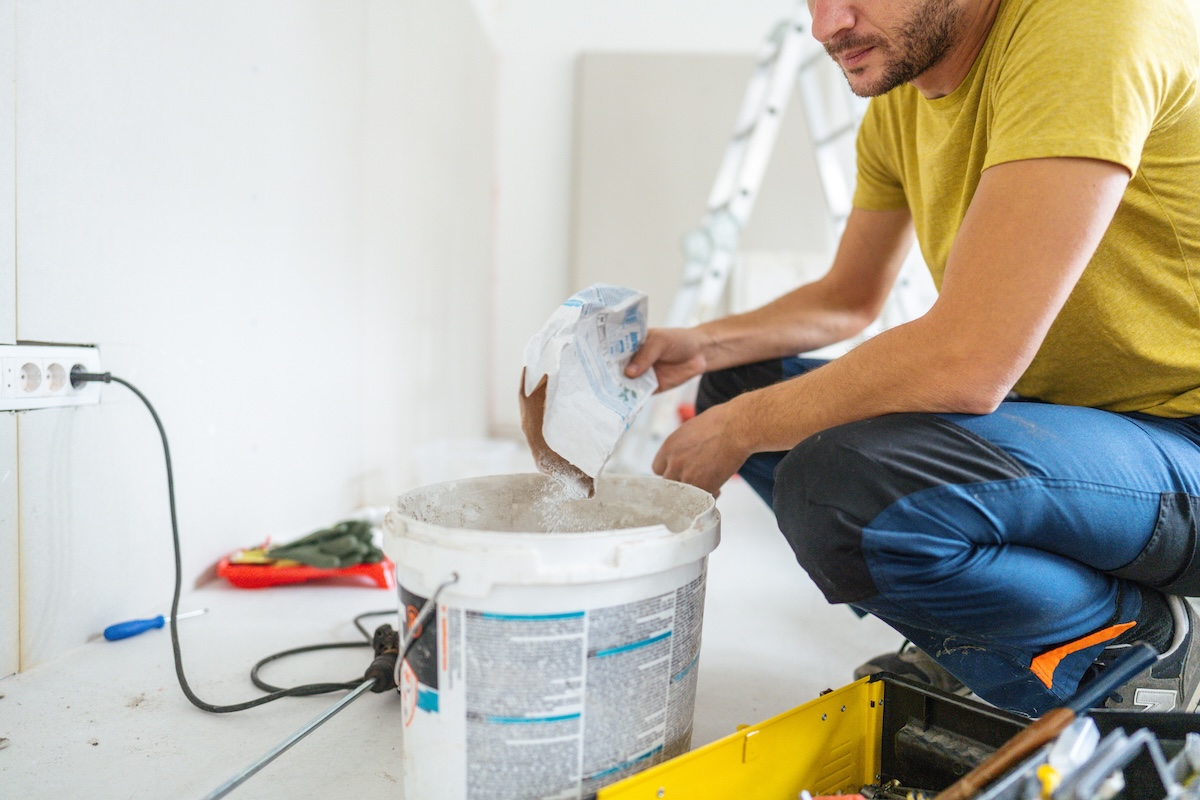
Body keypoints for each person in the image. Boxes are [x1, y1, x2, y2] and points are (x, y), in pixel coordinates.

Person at [623, 0, 1200, 717]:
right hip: (1079, 427)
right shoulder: (907, 96)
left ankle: (1140, 652)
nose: (826, 25)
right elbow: (848, 297)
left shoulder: (1090, 22)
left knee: (840, 487)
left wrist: (742, 428)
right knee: (740, 386)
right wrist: (704, 346)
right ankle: (1011, 636)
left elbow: (969, 358)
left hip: (1185, 436)